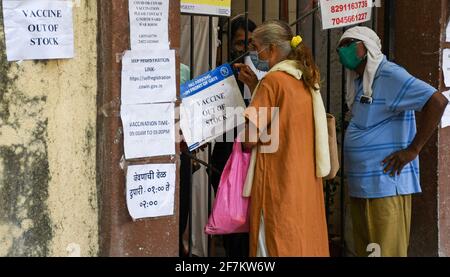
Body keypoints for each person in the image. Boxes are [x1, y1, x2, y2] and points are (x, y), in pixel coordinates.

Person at [337, 26, 448, 257]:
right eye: (340, 46)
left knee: (387, 252)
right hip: (363, 187)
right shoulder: (359, 82)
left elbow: (437, 101)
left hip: (386, 185)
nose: (341, 50)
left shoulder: (389, 74)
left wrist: (413, 150)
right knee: (367, 252)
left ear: (364, 47)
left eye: (347, 44)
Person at [238, 20, 330, 257]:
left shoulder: (272, 81)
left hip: (276, 182)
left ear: (270, 49)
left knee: (273, 244)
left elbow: (249, 138)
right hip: (304, 182)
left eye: (256, 47)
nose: (254, 53)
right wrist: (257, 86)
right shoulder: (305, 78)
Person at [210, 15, 257, 258]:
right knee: (231, 221)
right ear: (231, 46)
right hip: (225, 157)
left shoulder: (265, 76)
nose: (246, 49)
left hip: (255, 159)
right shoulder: (221, 76)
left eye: (251, 44)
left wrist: (256, 84)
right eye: (240, 44)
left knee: (252, 221)